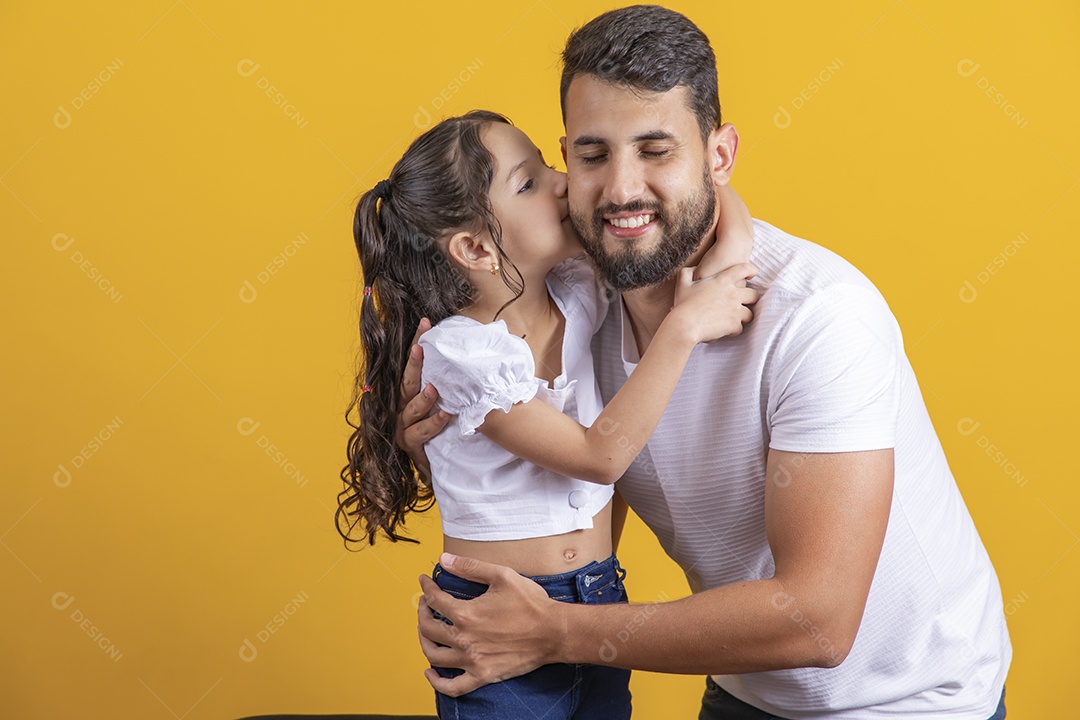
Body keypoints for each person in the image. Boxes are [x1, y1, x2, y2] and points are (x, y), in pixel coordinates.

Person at [400, 6, 1012, 720]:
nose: (622, 188)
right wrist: (444, 455)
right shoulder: (575, 300)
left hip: (909, 703)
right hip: (744, 683)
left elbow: (817, 621)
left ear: (718, 157)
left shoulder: (823, 317)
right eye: (594, 155)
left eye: (656, 150)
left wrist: (555, 631)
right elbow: (571, 478)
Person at [336, 109, 759, 719]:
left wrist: (735, 249)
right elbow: (599, 457)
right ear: (477, 247)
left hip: (598, 600)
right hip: (494, 612)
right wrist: (684, 326)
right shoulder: (463, 355)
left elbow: (707, 204)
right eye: (529, 182)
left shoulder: (576, 286)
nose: (563, 181)